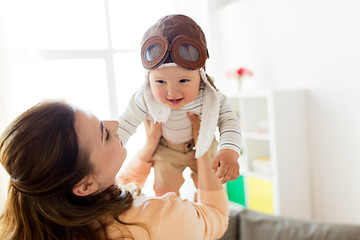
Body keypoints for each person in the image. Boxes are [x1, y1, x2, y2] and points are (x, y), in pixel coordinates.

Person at [0, 100, 228, 240]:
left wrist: (148, 150)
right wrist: (204, 149)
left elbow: (111, 191)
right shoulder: (160, 220)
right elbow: (216, 217)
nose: (115, 125)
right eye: (104, 134)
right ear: (84, 185)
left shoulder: (21, 225)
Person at [118, 14, 242, 197]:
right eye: (160, 82)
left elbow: (229, 121)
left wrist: (229, 151)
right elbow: (126, 123)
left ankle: (202, 213)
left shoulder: (208, 95)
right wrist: (111, 144)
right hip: (167, 150)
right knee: (163, 192)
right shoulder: (145, 97)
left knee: (211, 189)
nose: (172, 92)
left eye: (183, 80)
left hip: (203, 144)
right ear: (148, 79)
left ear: (200, 76)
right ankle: (173, 217)